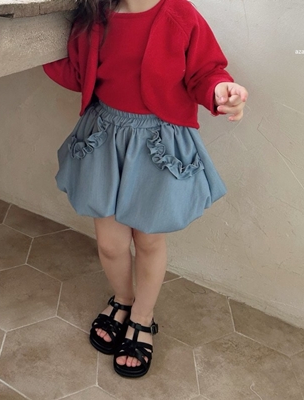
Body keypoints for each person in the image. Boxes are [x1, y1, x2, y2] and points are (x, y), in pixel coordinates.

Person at [43, 0, 248, 378]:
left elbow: (205, 71)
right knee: (110, 243)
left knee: (149, 240)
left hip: (158, 144)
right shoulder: (96, 13)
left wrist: (221, 90)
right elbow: (79, 72)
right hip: (106, 139)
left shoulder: (179, 14)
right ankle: (123, 299)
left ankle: (142, 316)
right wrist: (35, 47)